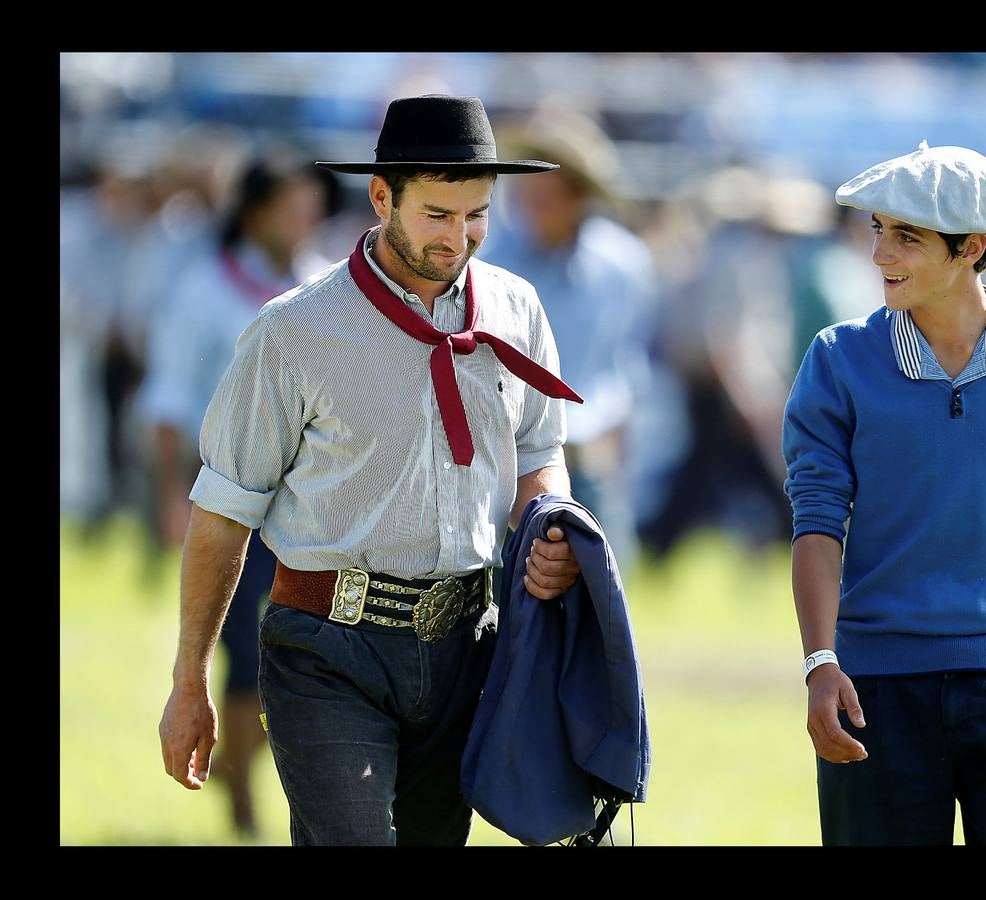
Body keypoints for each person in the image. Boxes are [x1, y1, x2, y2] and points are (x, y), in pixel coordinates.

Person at [158, 95, 586, 846]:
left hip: (467, 647)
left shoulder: (518, 309)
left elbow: (538, 457)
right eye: (436, 215)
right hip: (327, 646)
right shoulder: (293, 331)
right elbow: (224, 512)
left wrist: (549, 527)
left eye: (476, 215)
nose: (460, 238)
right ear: (380, 195)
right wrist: (189, 680)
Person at [782, 141, 986, 845]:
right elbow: (817, 523)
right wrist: (819, 663)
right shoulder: (836, 359)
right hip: (875, 696)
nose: (878, 254)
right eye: (877, 231)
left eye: (906, 237)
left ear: (970, 248)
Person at [140, 151, 336, 835]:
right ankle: (240, 780)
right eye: (292, 204)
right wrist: (172, 497)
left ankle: (256, 774)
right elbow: (167, 401)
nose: (305, 218)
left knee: (302, 651)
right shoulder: (203, 291)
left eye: (312, 205)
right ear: (255, 212)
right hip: (229, 503)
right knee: (249, 653)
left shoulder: (323, 287)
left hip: (309, 508)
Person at [482, 108, 658, 572]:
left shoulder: (623, 266)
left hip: (590, 458)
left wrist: (620, 459)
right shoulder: (491, 263)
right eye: (527, 187)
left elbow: (624, 369)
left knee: (602, 613)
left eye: (548, 189)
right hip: (507, 463)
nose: (532, 201)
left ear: (578, 195)